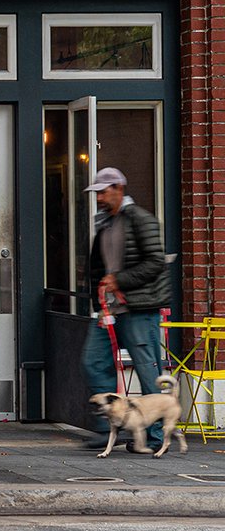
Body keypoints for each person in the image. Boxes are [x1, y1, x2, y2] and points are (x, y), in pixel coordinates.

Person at [80, 166, 171, 452]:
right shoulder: (105, 224)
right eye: (97, 194)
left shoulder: (141, 220)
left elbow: (156, 261)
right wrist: (99, 305)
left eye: (103, 192)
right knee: (93, 360)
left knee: (147, 371)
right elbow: (97, 268)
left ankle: (155, 436)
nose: (99, 199)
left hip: (140, 308)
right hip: (110, 310)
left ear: (119, 188)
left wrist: (119, 280)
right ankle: (111, 424)